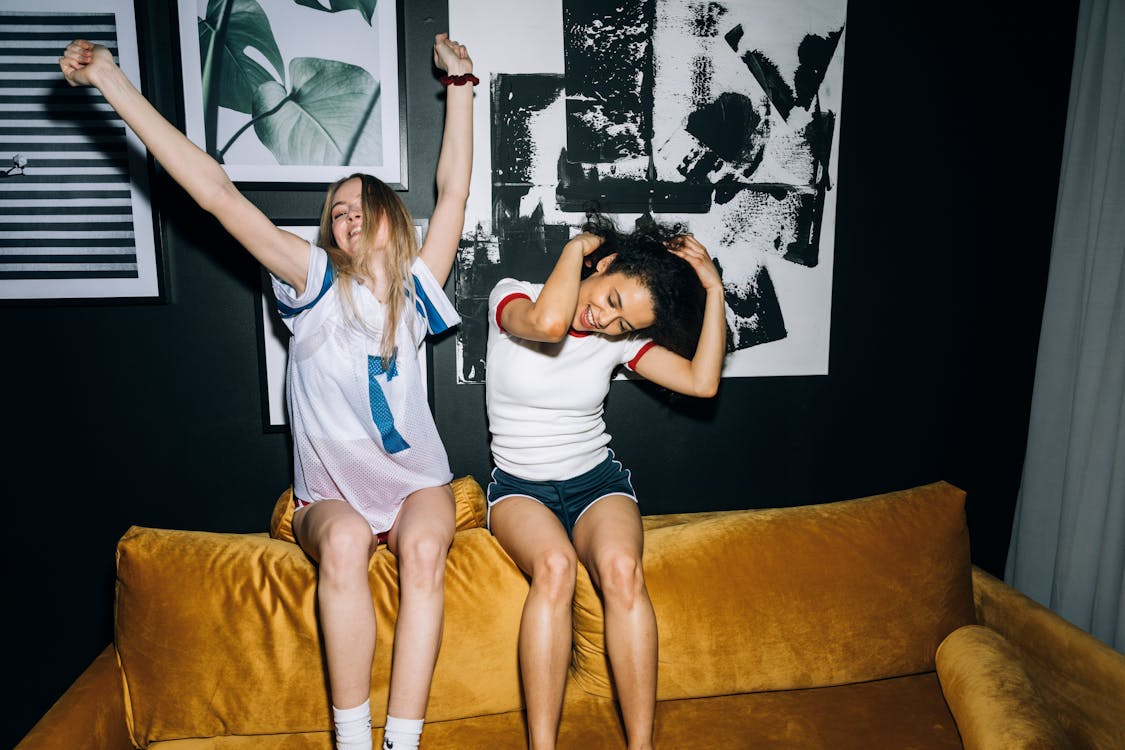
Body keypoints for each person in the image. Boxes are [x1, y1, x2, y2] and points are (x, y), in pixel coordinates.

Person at [60, 32, 475, 750]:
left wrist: (463, 87)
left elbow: (453, 191)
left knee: (426, 548)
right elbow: (217, 194)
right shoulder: (311, 283)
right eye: (334, 210)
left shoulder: (416, 291)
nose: (343, 216)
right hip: (332, 497)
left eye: (357, 204)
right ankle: (352, 739)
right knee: (345, 545)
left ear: (386, 217)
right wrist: (111, 81)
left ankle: (402, 740)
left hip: (415, 483)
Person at [484, 212, 728, 750]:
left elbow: (702, 382)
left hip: (595, 482)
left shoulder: (617, 343)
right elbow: (550, 325)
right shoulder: (514, 297)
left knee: (622, 571)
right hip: (520, 488)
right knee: (555, 568)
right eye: (613, 301)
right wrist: (576, 250)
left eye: (626, 325)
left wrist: (713, 288)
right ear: (606, 265)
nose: (607, 323)